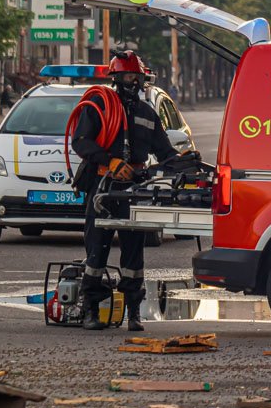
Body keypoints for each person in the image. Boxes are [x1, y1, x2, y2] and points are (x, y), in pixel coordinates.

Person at [71, 50, 186, 331]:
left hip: (134, 188)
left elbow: (164, 151)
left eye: (135, 76)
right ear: (115, 77)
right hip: (103, 186)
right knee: (96, 250)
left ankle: (133, 311)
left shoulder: (147, 113)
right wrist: (109, 160)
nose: (131, 81)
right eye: (126, 76)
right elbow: (81, 142)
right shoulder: (99, 104)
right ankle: (91, 310)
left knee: (134, 254)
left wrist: (184, 166)